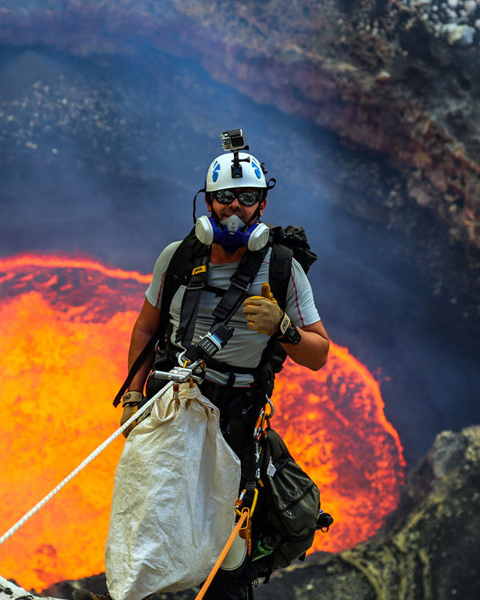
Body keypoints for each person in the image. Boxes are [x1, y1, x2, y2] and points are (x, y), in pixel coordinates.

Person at [119, 145, 330, 600]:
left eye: (247, 198)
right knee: (149, 507)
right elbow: (145, 326)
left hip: (237, 413)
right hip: (172, 400)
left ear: (262, 205)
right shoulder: (175, 258)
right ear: (208, 201)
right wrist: (134, 396)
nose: (236, 208)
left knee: (226, 533)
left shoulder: (282, 269)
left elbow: (318, 354)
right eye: (226, 197)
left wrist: (285, 328)